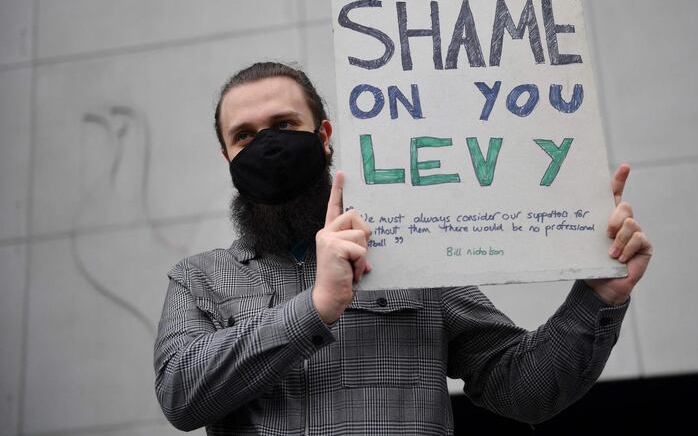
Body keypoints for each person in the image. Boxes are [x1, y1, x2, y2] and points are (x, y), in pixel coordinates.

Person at [153, 61, 653, 435]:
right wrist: (315, 308)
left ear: (324, 136)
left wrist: (596, 296)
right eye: (245, 136)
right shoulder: (200, 279)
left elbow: (524, 389)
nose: (268, 145)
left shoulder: (412, 250)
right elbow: (180, 396)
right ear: (228, 156)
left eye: (285, 125)